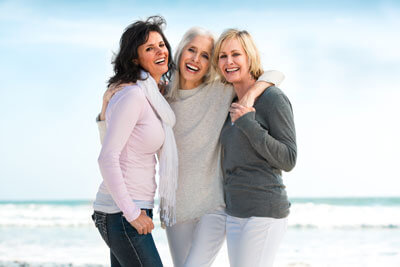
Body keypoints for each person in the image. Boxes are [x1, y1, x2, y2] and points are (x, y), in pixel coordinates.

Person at [99, 26, 285, 267]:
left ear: (211, 64)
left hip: (214, 207)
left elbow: (275, 74)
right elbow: (114, 148)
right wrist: (105, 104)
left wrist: (253, 93)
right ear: (180, 51)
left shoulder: (221, 92)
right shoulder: (159, 98)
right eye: (192, 50)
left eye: (206, 55)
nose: (197, 59)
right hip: (176, 209)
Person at [92, 16, 178, 267]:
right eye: (149, 48)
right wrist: (132, 213)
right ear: (135, 59)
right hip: (121, 212)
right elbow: (107, 157)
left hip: (131, 208)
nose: (160, 51)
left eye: (161, 44)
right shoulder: (133, 95)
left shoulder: (153, 96)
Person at [213, 29, 297, 267]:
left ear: (249, 57)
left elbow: (289, 158)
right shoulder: (229, 101)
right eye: (222, 56)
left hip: (264, 211)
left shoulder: (272, 98)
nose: (229, 62)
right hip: (235, 213)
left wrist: (248, 123)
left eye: (236, 54)